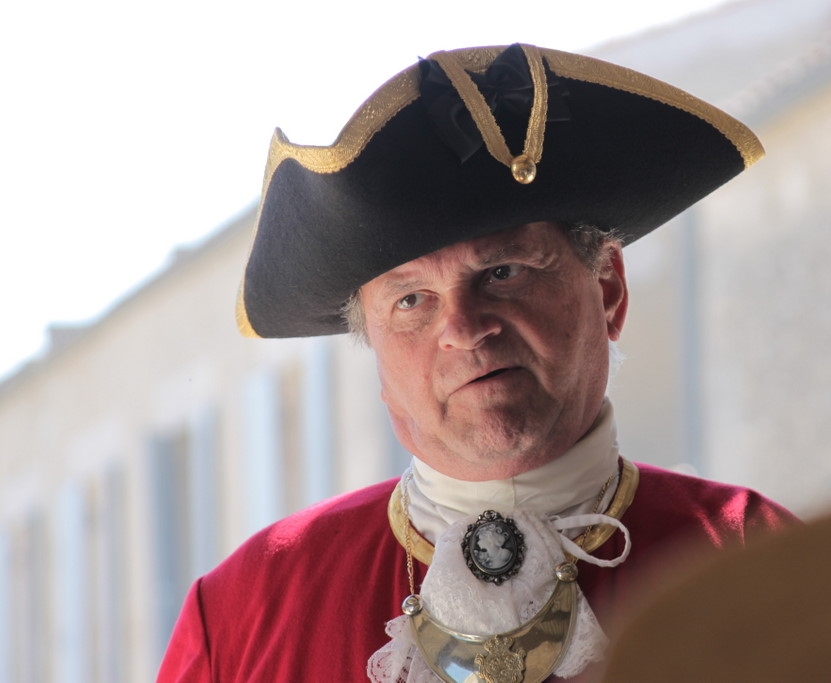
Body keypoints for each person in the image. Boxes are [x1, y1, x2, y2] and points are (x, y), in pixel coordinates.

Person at [158, 43, 795, 682]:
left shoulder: (771, 565)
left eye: (504, 272)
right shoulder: (243, 615)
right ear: (374, 347)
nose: (464, 330)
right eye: (412, 300)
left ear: (608, 289)